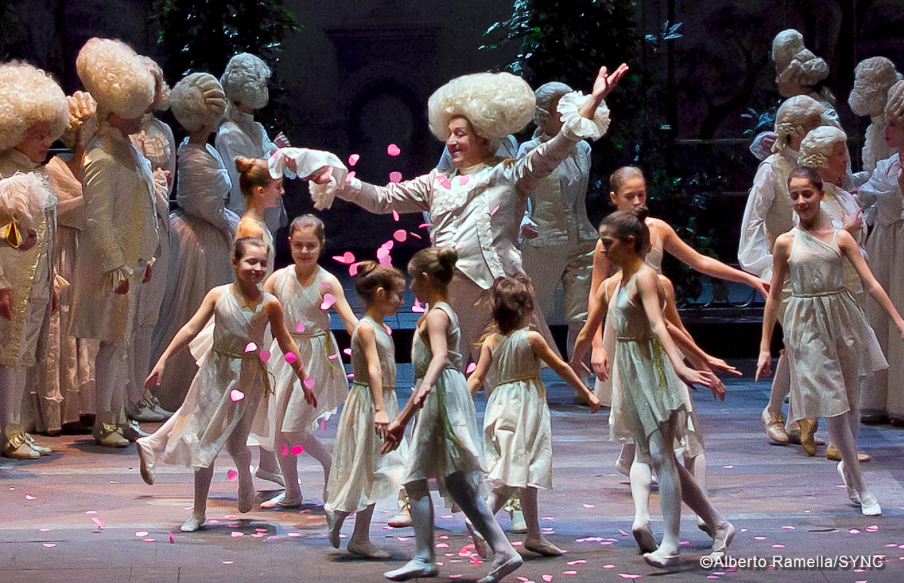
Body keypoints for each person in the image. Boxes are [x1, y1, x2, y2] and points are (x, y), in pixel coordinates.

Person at [306, 64, 628, 365]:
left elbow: (555, 148)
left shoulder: (510, 173)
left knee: (515, 382)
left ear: (483, 137)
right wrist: (337, 182)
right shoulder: (435, 182)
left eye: (460, 133)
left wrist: (593, 101)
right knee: (444, 383)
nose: (452, 141)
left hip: (502, 293)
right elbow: (380, 198)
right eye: (449, 134)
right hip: (451, 295)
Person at [579, 208, 735, 567]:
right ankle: (719, 523)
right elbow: (590, 328)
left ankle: (671, 543)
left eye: (607, 242)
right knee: (656, 455)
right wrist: (575, 366)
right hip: (633, 374)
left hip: (657, 373)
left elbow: (663, 325)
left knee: (662, 457)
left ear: (629, 242)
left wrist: (690, 362)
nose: (601, 250)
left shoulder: (648, 279)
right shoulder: (614, 283)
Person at [589, 166, 762, 478]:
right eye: (630, 196)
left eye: (642, 193)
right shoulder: (608, 243)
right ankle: (641, 456)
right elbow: (596, 294)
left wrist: (747, 279)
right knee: (639, 390)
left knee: (657, 387)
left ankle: (637, 457)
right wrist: (597, 344)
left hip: (656, 315)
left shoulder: (658, 230)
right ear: (614, 198)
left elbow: (698, 260)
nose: (638, 200)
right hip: (627, 321)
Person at [138, 237, 315, 531]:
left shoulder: (269, 304)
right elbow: (191, 328)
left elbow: (286, 343)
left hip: (247, 379)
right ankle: (198, 512)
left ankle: (245, 477)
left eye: (262, 263)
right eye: (250, 262)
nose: (257, 268)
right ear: (234, 262)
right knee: (202, 443)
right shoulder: (218, 295)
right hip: (214, 374)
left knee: (236, 444)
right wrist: (163, 359)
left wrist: (304, 378)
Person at [756, 167, 904, 516]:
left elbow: (871, 284)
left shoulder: (840, 238)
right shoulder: (785, 243)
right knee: (834, 404)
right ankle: (862, 486)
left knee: (852, 401)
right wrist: (765, 345)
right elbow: (774, 296)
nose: (801, 200)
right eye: (794, 195)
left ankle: (847, 469)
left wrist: (898, 319)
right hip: (806, 325)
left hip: (842, 316)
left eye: (807, 192)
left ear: (821, 193)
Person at [381, 247, 522, 583]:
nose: (411, 287)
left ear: (426, 279)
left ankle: (426, 556)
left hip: (440, 395)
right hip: (442, 392)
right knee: (455, 482)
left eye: (414, 280)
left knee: (417, 477)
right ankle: (500, 550)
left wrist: (408, 411)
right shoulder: (438, 311)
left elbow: (440, 357)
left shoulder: (437, 315)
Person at [467, 274, 600, 559]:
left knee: (524, 470)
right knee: (515, 473)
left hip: (501, 404)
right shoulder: (531, 338)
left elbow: (477, 378)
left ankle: (534, 535)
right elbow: (561, 367)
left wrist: (461, 400)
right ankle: (481, 519)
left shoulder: (490, 341)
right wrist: (586, 393)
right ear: (525, 309)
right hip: (523, 407)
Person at [69, 38, 159, 447]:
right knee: (110, 341)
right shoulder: (102, 155)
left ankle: (119, 413)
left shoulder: (128, 152)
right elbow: (97, 217)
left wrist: (148, 253)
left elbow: (143, 207)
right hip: (117, 266)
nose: (146, 113)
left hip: (134, 260)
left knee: (121, 342)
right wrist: (113, 264)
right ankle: (104, 419)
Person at [149, 72, 241, 412]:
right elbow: (207, 206)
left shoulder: (196, 148)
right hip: (201, 238)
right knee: (191, 312)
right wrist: (233, 230)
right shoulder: (195, 155)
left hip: (203, 232)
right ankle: (187, 390)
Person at [738, 95, 825, 449]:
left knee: (803, 344)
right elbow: (752, 224)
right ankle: (778, 412)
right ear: (794, 131)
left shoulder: (814, 168)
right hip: (786, 268)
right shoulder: (772, 169)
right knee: (797, 342)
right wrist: (765, 267)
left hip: (817, 268)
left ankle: (790, 417)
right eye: (812, 127)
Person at [258, 215, 357, 508]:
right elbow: (256, 311)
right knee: (278, 433)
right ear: (289, 244)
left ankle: (331, 464)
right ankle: (292, 492)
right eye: (298, 245)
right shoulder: (278, 279)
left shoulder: (327, 281)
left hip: (314, 356)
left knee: (293, 428)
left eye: (310, 246)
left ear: (321, 245)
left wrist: (368, 341)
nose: (304, 252)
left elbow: (349, 319)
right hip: (285, 354)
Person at [0, 61, 68, 459]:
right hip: (13, 279)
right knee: (10, 355)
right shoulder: (6, 177)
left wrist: (52, 279)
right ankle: (8, 432)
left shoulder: (37, 175)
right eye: (36, 135)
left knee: (24, 355)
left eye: (47, 134)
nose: (45, 142)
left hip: (38, 281)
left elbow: (48, 236)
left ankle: (17, 427)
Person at [324, 262, 408, 560]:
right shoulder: (366, 329)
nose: (402, 301)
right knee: (372, 467)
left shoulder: (377, 327)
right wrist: (381, 408)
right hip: (371, 402)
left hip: (380, 400)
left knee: (375, 468)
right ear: (381, 293)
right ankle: (341, 514)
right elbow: (373, 368)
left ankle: (357, 533)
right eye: (398, 295)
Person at [31, 91, 100, 436]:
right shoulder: (53, 171)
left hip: (85, 251)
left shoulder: (95, 166)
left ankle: (85, 404)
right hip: (63, 251)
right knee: (61, 328)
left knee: (83, 331)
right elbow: (67, 210)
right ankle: (59, 411)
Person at [518, 82, 598, 379]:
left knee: (583, 313)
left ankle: (582, 376)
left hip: (582, 238)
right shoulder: (529, 149)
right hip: (543, 239)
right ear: (543, 114)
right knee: (532, 310)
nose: (565, 114)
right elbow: (520, 191)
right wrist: (524, 219)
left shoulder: (583, 148)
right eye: (558, 108)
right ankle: (527, 377)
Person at [127, 56, 176, 423]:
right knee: (129, 321)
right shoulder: (123, 133)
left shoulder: (164, 130)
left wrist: (164, 185)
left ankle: (143, 393)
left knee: (149, 318)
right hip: (134, 228)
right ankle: (126, 397)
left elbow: (169, 179)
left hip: (161, 223)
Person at [858, 79, 904, 427]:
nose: (886, 130)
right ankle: (880, 397)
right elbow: (859, 191)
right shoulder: (888, 166)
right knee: (880, 319)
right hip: (885, 245)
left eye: (894, 125)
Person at [216, 53, 289, 232]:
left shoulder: (256, 127)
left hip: (268, 211)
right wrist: (275, 151)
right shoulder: (229, 134)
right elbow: (243, 177)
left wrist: (280, 153)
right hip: (247, 215)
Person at [750, 29, 839, 161]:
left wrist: (787, 147)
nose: (776, 80)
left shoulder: (821, 112)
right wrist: (765, 140)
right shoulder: (791, 107)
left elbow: (830, 157)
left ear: (793, 76)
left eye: (778, 74)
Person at [848, 57, 901, 196]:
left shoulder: (894, 134)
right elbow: (875, 173)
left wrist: (863, 192)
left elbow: (891, 182)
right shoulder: (874, 129)